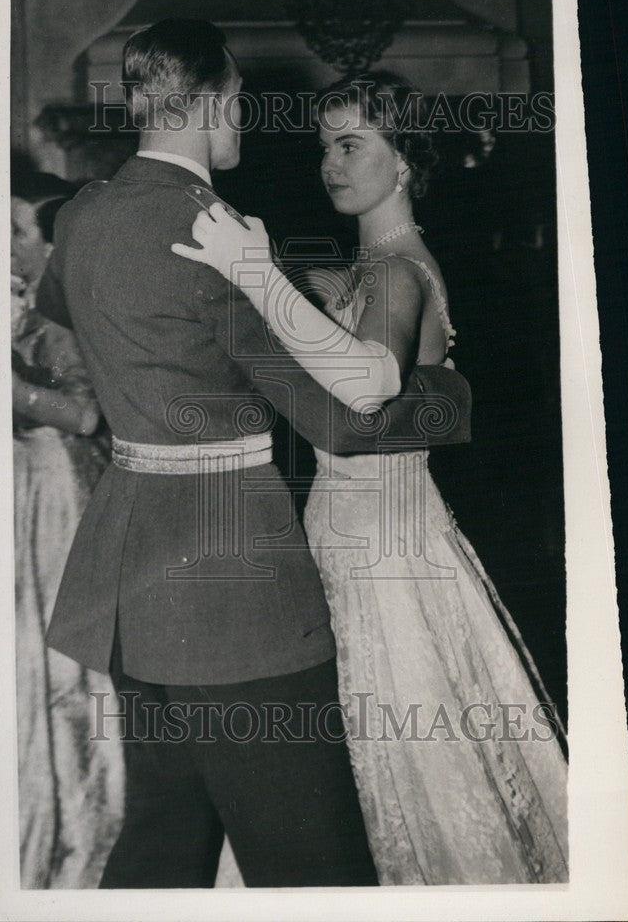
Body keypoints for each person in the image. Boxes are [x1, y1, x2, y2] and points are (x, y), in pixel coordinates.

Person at [35, 20, 472, 889]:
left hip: (125, 567)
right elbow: (342, 421)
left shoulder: (85, 214)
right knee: (313, 865)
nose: (241, 122)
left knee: (165, 833)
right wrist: (457, 399)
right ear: (208, 105)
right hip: (233, 597)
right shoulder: (217, 235)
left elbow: (56, 321)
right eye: (237, 104)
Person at [173, 72, 569, 884]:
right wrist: (291, 289)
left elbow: (370, 383)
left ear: (405, 163)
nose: (331, 162)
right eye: (324, 145)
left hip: (376, 544)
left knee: (384, 749)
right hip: (369, 525)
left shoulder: (393, 274)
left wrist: (257, 274)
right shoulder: (379, 266)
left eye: (352, 144)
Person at [11, 178, 124, 888]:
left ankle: (82, 844)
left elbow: (85, 418)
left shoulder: (60, 317)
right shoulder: (24, 310)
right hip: (31, 499)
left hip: (62, 499)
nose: (15, 244)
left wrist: (8, 387)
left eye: (22, 230)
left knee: (69, 679)